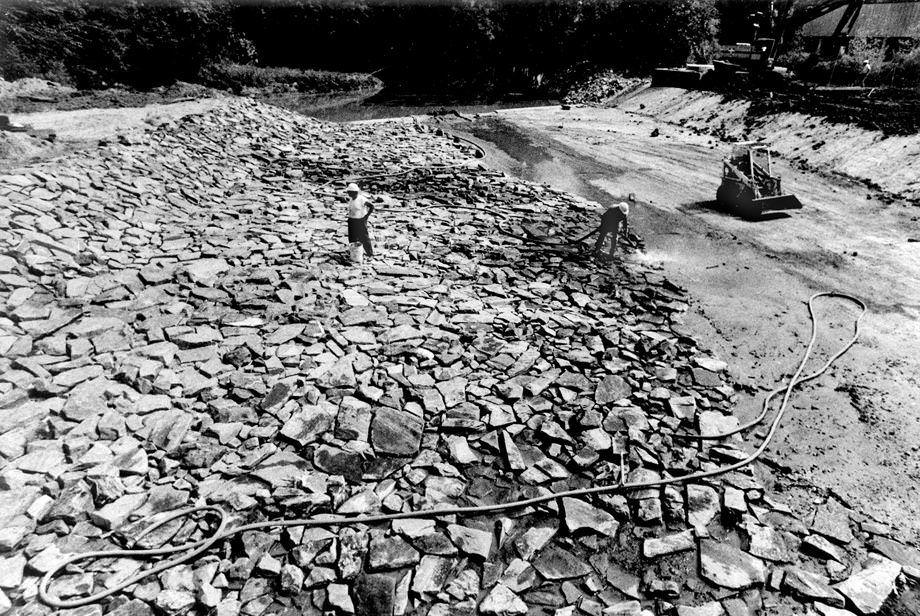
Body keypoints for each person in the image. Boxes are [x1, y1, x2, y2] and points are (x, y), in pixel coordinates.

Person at [345, 182, 374, 260]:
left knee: (364, 237)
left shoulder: (362, 199)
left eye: (349, 192)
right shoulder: (351, 199)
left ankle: (370, 254)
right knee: (352, 238)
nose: (348, 194)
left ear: (354, 192)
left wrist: (366, 217)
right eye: (348, 192)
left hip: (360, 221)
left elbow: (371, 206)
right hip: (352, 221)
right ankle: (354, 253)